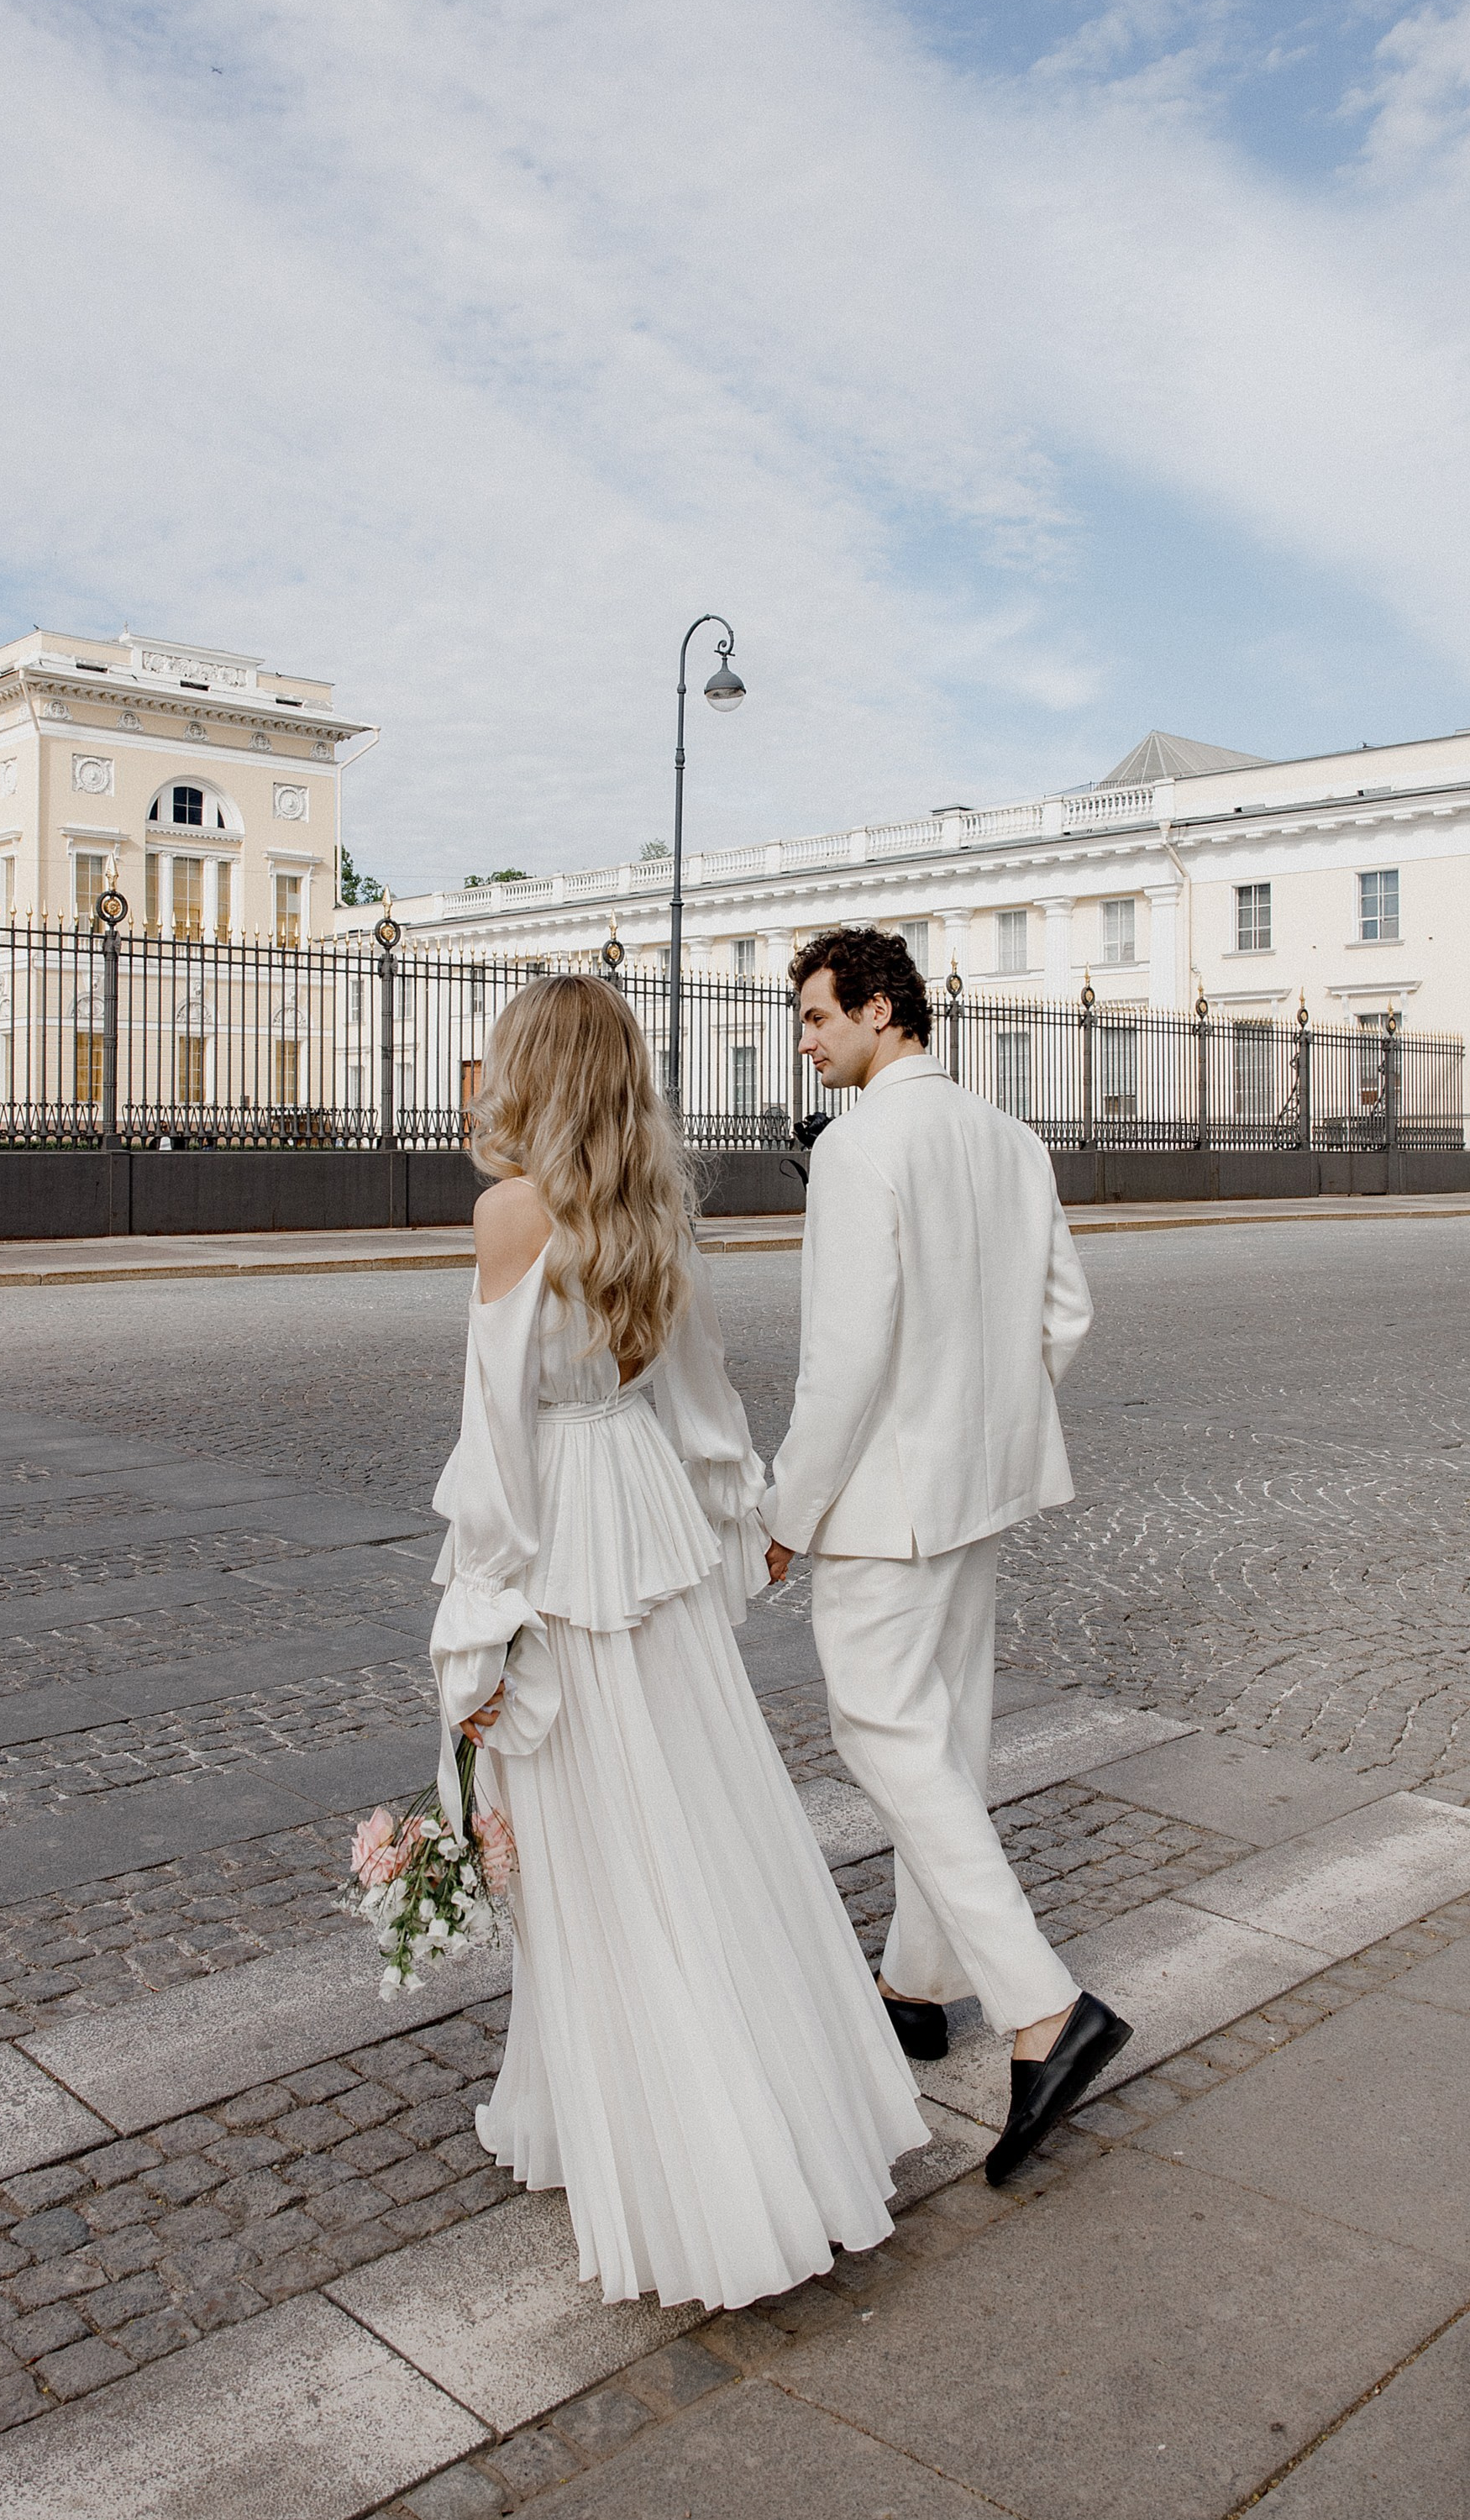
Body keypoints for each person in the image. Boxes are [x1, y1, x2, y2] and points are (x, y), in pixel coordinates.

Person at [428, 973, 927, 2313]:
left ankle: (671, 2152)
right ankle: (769, 2118)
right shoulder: (648, 1210)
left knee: (591, 1861)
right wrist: (743, 1519)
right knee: (703, 1830)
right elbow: (704, 1403)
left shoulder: (508, 1213)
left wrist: (472, 1631)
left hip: (566, 1555)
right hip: (647, 1536)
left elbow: (498, 1451)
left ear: (527, 1070)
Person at [763, 925, 1131, 2187]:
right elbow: (1063, 1313)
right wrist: (992, 1419)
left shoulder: (864, 1144)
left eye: (814, 1018)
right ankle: (916, 1986)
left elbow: (846, 1355)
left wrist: (783, 1510)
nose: (803, 1041)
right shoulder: (1008, 1138)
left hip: (886, 1501)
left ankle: (1040, 2007)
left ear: (878, 1010)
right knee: (944, 1734)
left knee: (883, 1737)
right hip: (982, 1486)